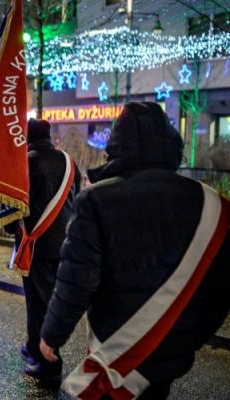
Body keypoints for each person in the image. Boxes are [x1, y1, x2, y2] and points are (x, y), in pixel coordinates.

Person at [39, 102, 230, 399]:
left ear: (118, 143)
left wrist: (52, 335)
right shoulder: (209, 203)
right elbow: (220, 290)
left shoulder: (97, 200)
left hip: (115, 348)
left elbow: (78, 280)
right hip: (171, 345)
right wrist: (188, 338)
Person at [4, 119, 81, 385]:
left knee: (38, 303)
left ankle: (47, 364)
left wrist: (10, 228)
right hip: (65, 243)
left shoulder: (26, 161)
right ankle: (33, 345)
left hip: (37, 242)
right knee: (49, 300)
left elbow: (17, 203)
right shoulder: (69, 161)